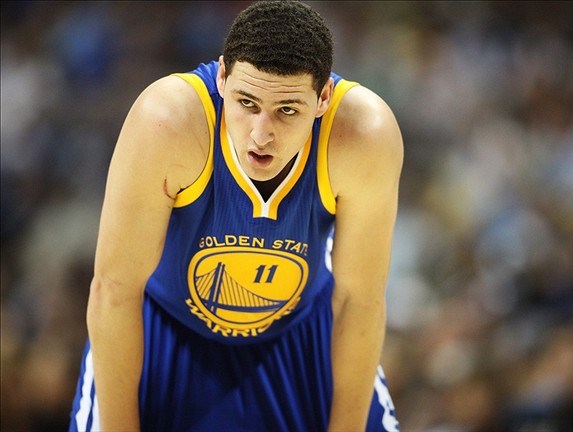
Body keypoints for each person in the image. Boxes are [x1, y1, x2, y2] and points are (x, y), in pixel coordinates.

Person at [68, 1, 403, 430]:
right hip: (163, 331)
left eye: (287, 110)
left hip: (303, 334)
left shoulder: (364, 134)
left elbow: (359, 301)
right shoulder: (167, 122)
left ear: (322, 99)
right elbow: (115, 289)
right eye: (247, 102)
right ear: (222, 78)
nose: (261, 134)